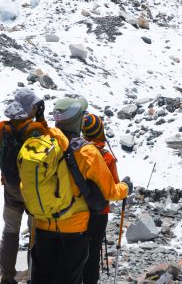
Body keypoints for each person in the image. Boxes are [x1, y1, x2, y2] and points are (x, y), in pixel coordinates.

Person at [31, 96, 132, 284]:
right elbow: (110, 192)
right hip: (73, 226)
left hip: (43, 223)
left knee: (43, 276)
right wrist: (126, 188)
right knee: (69, 276)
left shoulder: (42, 141)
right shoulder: (86, 152)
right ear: (77, 120)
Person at [0, 88, 48, 284]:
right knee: (34, 231)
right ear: (30, 107)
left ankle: (7, 276)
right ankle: (33, 275)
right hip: (31, 188)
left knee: (10, 229)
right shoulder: (35, 129)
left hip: (10, 186)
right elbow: (48, 143)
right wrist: (41, 118)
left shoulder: (3, 127)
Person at [81, 113, 124, 284]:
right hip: (99, 214)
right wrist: (125, 188)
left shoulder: (78, 152)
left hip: (78, 211)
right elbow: (113, 188)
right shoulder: (106, 157)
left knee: (77, 252)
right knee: (93, 255)